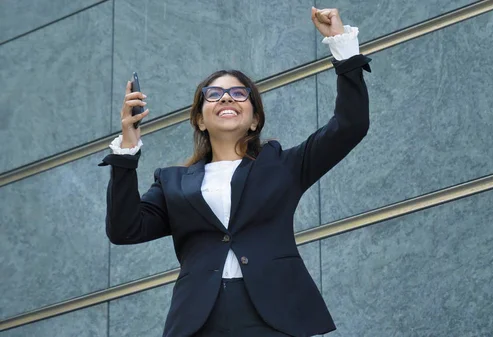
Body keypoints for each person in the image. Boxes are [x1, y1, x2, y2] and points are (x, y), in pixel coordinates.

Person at [98, 7, 371, 337]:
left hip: (274, 316)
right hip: (200, 320)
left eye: (239, 93)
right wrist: (127, 150)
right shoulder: (172, 182)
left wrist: (342, 49)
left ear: (254, 119)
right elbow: (124, 229)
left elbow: (350, 125)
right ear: (200, 119)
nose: (226, 97)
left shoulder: (283, 166)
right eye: (213, 94)